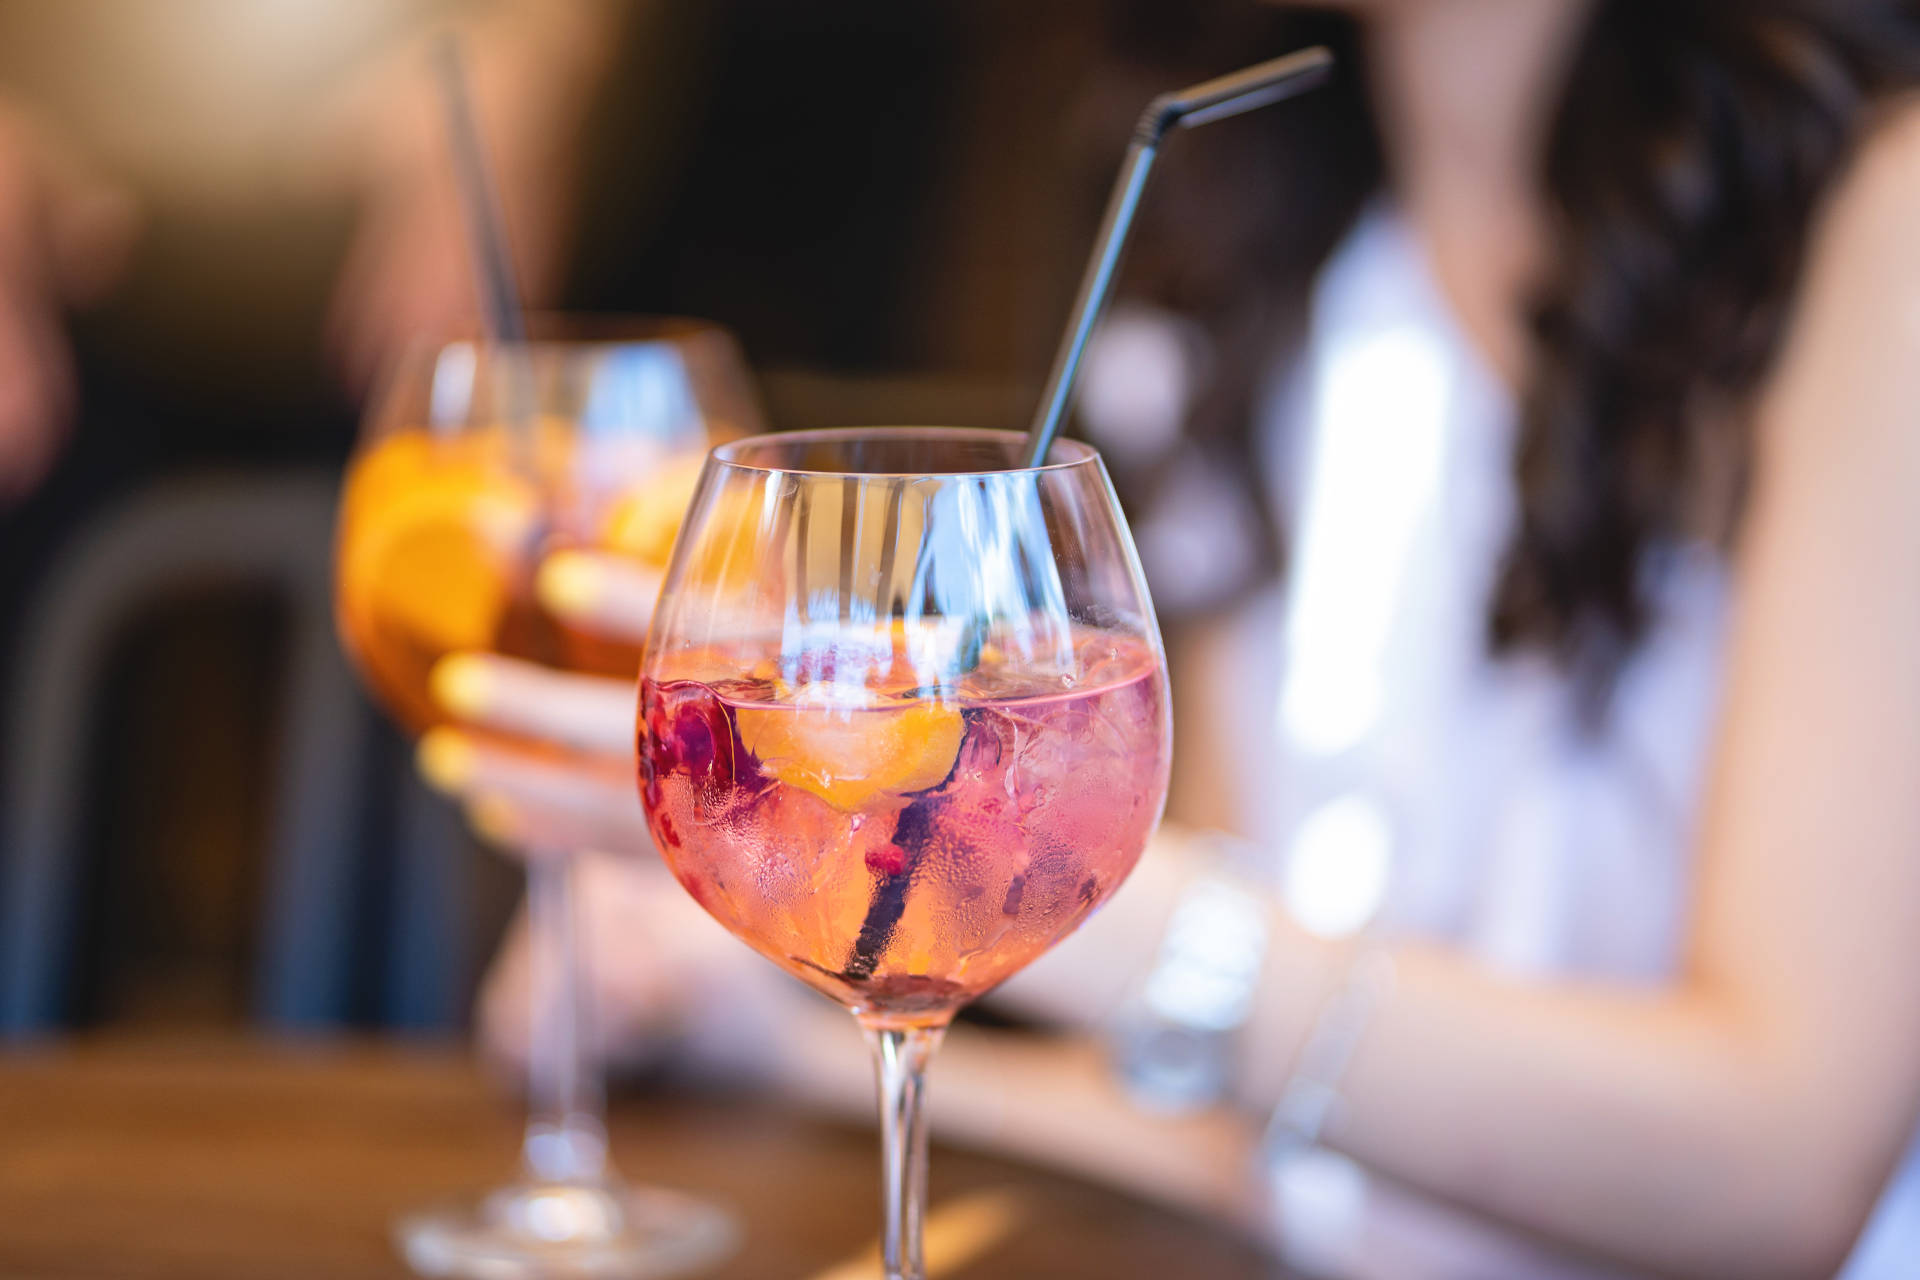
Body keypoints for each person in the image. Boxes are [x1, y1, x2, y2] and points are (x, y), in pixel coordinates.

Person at [414, 0, 1920, 1275]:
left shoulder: (1882, 215)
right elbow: (1256, 1129)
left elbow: (1784, 1166)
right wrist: (802, 1032)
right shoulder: (1272, 256)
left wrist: (1009, 860)